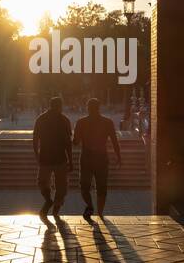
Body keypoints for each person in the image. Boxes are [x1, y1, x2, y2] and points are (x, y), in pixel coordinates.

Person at [73, 98, 122, 223]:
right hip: (101, 158)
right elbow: (114, 141)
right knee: (101, 187)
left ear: (87, 108)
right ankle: (100, 213)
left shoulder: (81, 122)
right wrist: (118, 156)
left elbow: (76, 142)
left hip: (86, 158)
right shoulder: (107, 122)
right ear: (99, 108)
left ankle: (90, 206)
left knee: (84, 187)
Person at [33, 96, 73, 224]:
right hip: (60, 158)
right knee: (62, 187)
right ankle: (55, 209)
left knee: (42, 182)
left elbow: (35, 139)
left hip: (45, 157)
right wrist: (71, 160)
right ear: (59, 106)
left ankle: (48, 201)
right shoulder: (64, 120)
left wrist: (37, 154)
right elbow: (68, 143)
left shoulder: (41, 119)